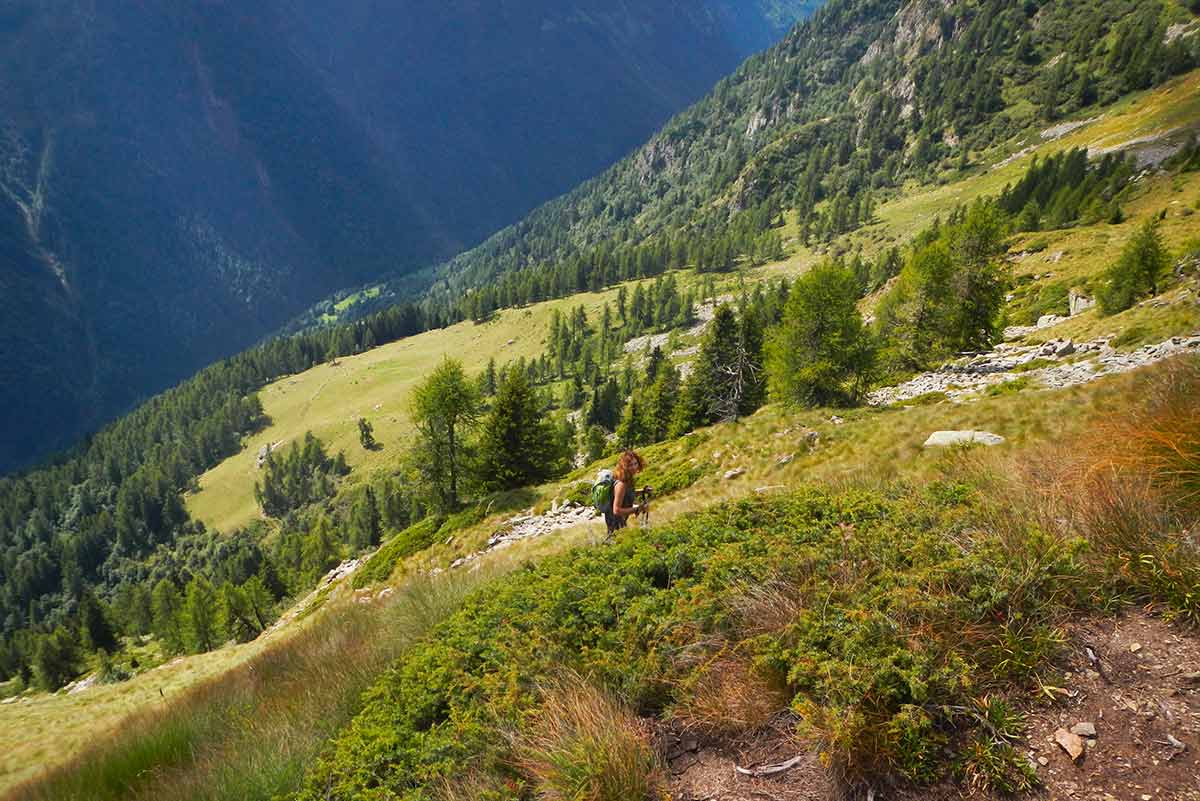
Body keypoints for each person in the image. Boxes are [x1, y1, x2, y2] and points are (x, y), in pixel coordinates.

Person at [605, 449, 646, 534]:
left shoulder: (628, 479)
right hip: (615, 523)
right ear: (624, 466)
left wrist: (642, 491)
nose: (634, 467)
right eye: (630, 465)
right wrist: (637, 509)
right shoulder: (621, 484)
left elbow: (626, 494)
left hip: (620, 521)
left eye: (635, 463)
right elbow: (616, 510)